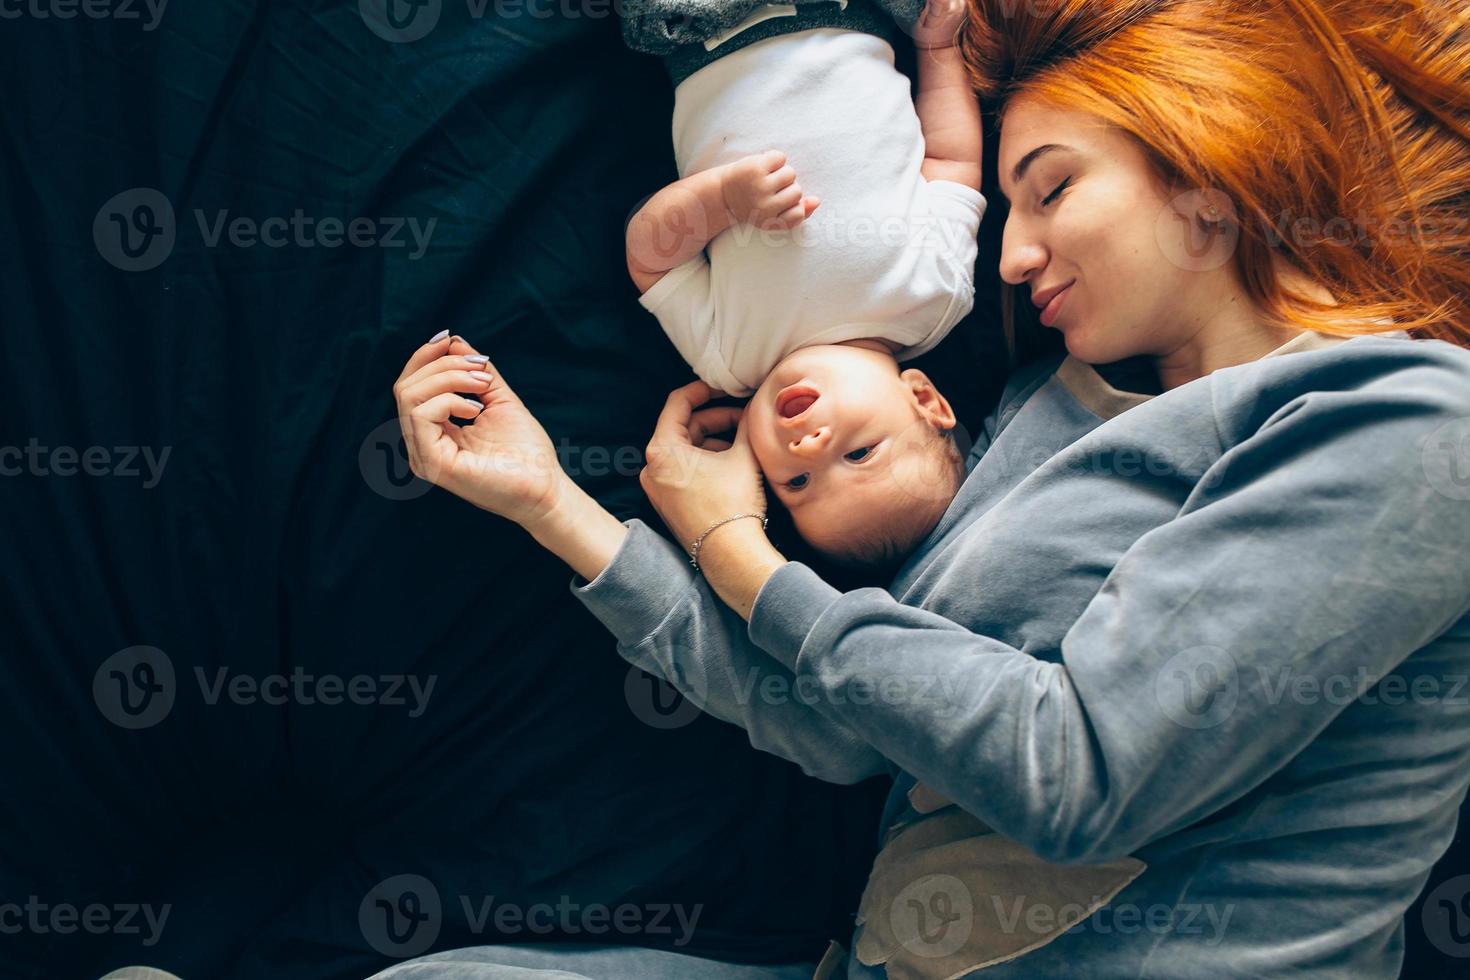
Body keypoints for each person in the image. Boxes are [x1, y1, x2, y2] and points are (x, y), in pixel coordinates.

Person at [382, 0, 1470, 976]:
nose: (1010, 252)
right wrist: (550, 500)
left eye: (1050, 187)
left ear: (1208, 170)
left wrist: (735, 550)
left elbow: (1075, 773)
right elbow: (852, 715)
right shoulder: (1058, 403)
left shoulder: (1412, 419)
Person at [623, 0, 985, 565]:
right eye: (860, 454)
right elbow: (951, 160)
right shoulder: (935, 296)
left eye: (796, 484)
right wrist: (939, 50)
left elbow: (650, 259)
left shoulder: (730, 361)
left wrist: (721, 203)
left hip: (701, 32)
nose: (809, 448)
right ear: (924, 399)